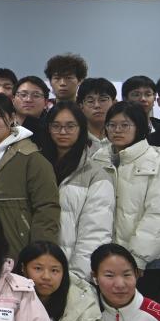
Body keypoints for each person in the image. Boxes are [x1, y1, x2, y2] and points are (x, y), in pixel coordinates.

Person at [91, 102, 160, 299]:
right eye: (112, 125)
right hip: (107, 260)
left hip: (149, 263)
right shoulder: (98, 160)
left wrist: (137, 259)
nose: (117, 130)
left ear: (139, 127)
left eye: (125, 125)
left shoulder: (154, 162)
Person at [0, 94, 60, 258]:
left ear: (12, 117)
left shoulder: (31, 157)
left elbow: (46, 207)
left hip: (18, 249)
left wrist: (40, 253)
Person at [41, 101, 114, 279]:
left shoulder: (95, 174)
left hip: (73, 271)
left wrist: (77, 277)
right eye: (56, 126)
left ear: (81, 129)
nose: (63, 132)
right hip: (38, 265)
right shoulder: (37, 167)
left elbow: (95, 233)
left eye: (70, 126)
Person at [77, 78, 117, 154]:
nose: (97, 105)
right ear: (81, 106)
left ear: (114, 103)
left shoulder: (123, 135)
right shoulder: (75, 137)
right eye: (90, 101)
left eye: (103, 100)